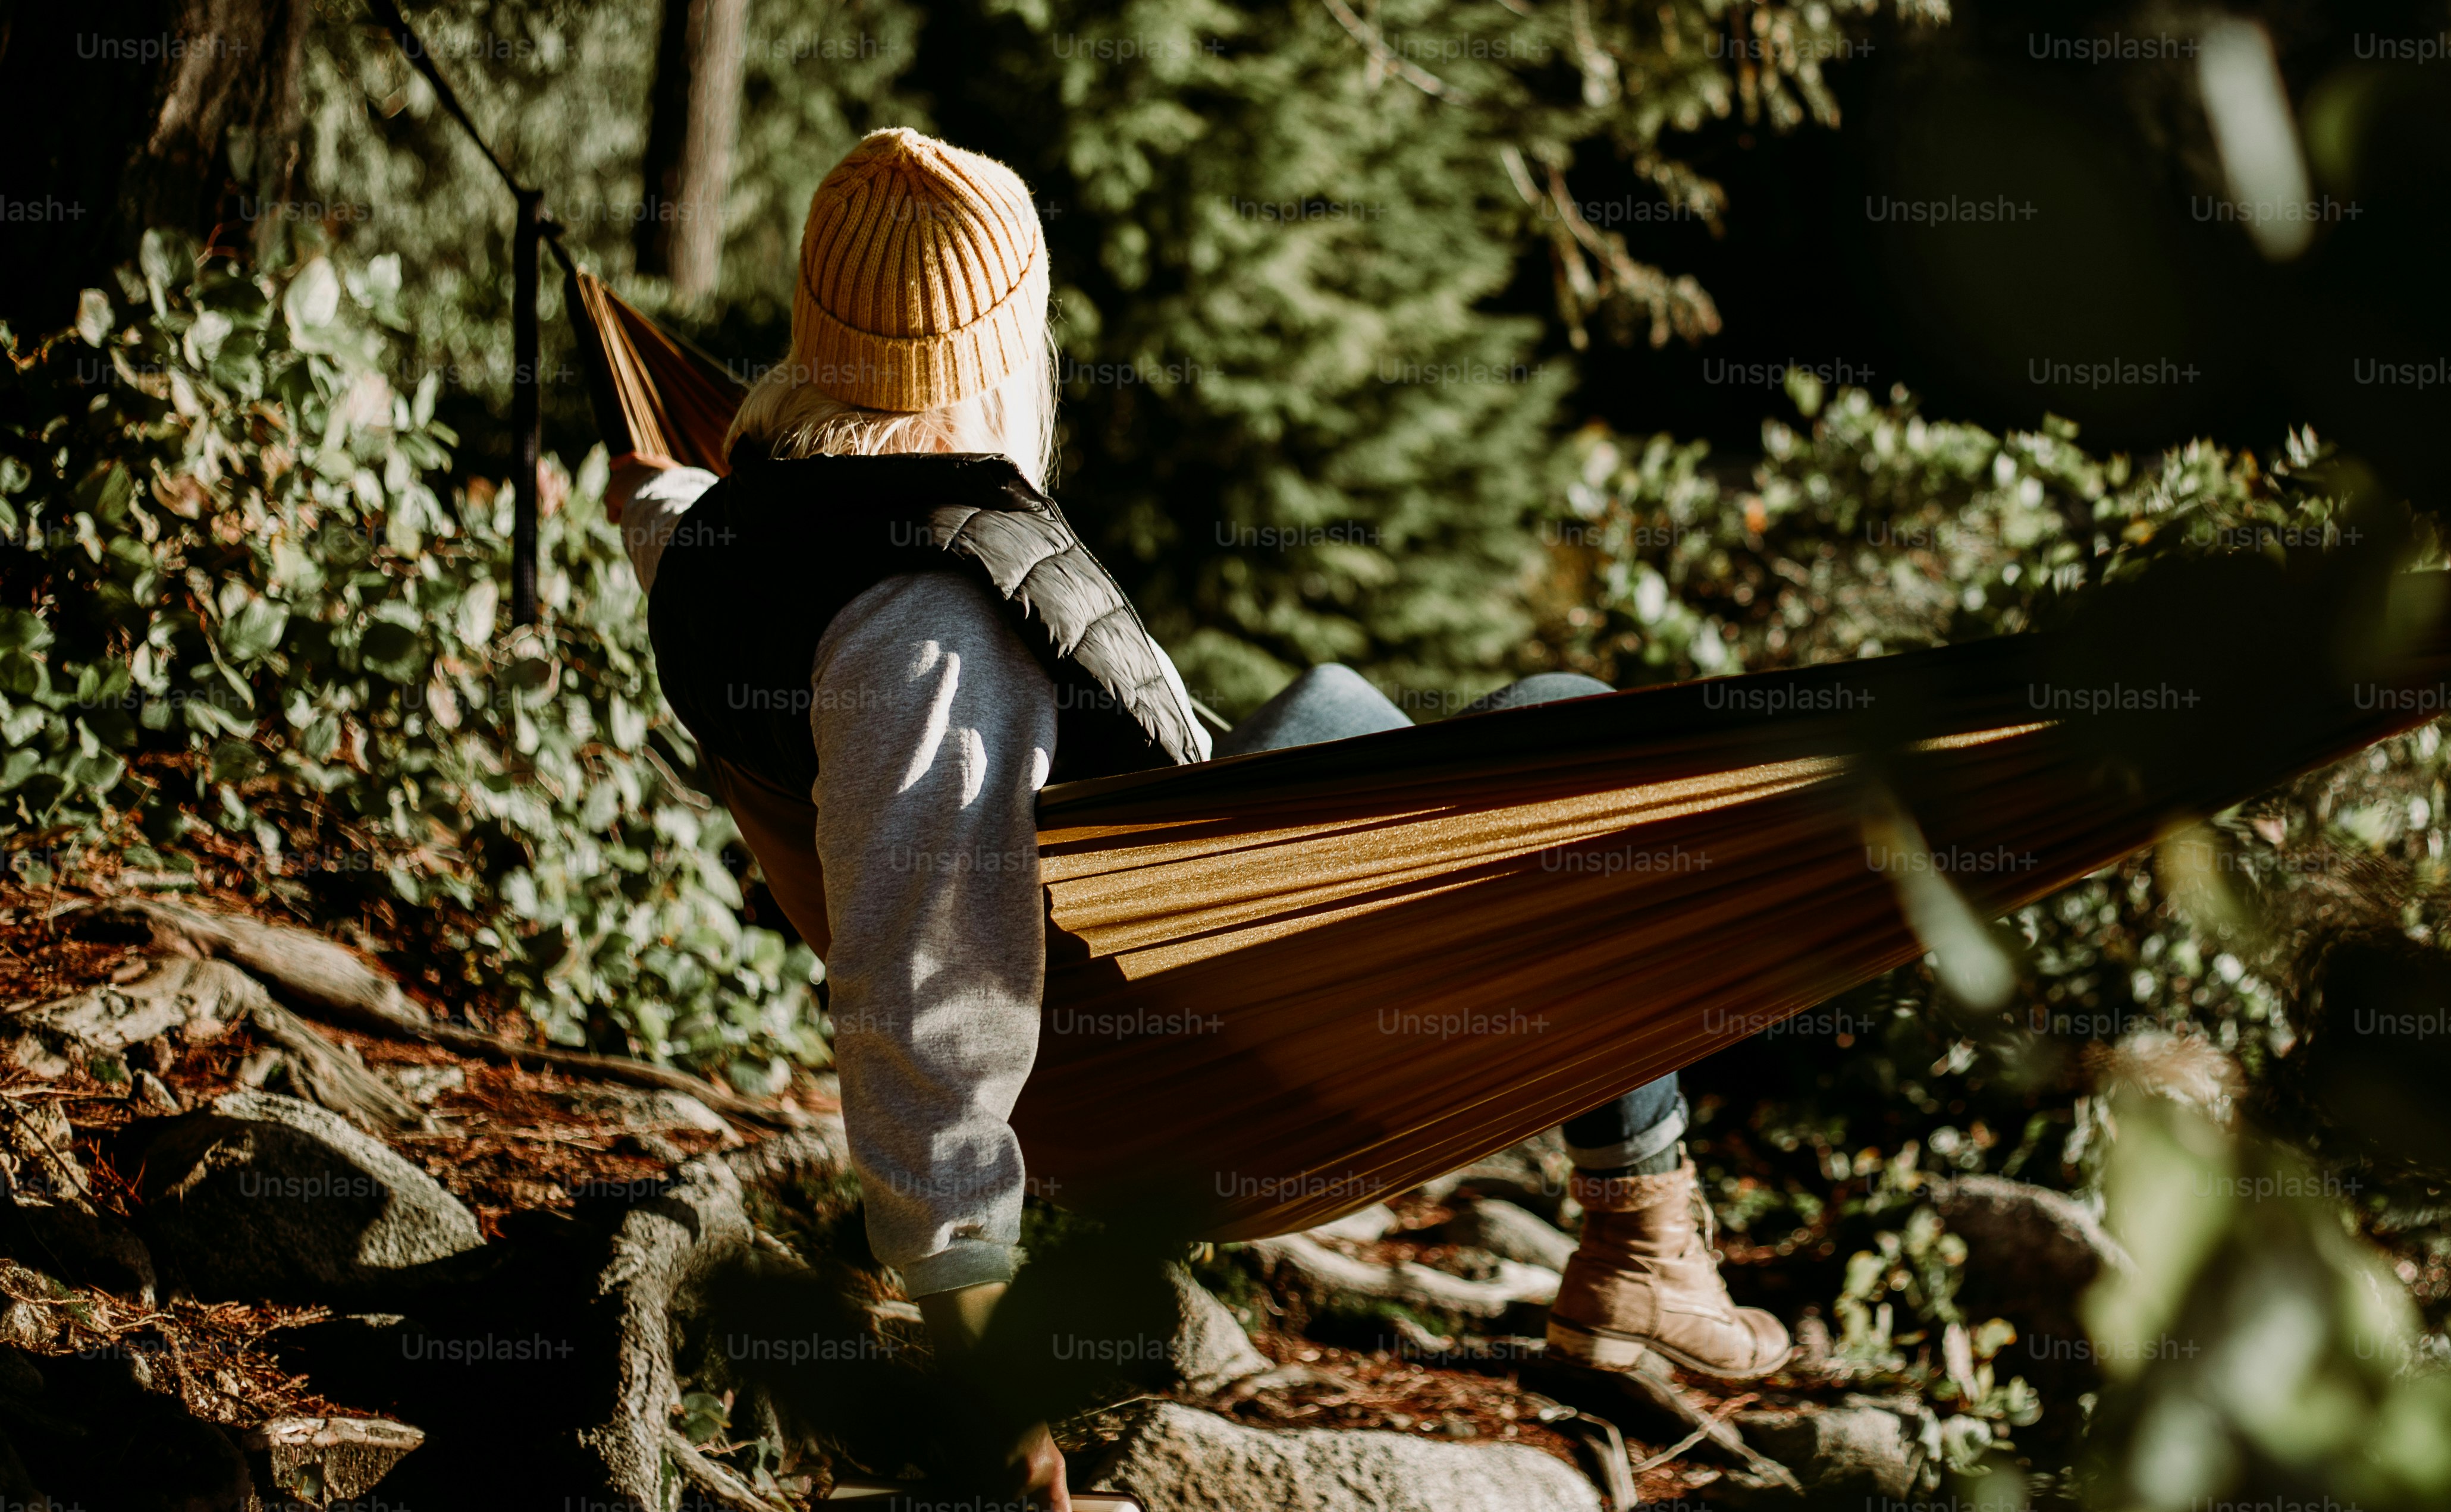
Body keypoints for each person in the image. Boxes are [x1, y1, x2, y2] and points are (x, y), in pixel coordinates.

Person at [608, 128, 1784, 1504]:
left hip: (1183, 934)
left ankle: (1641, 1239)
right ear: (1008, 349)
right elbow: (920, 976)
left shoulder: (745, 528)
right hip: (1199, 1022)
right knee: (1578, 747)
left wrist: (666, 486)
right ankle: (1644, 1237)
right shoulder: (929, 630)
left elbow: (674, 505)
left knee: (1376, 706)